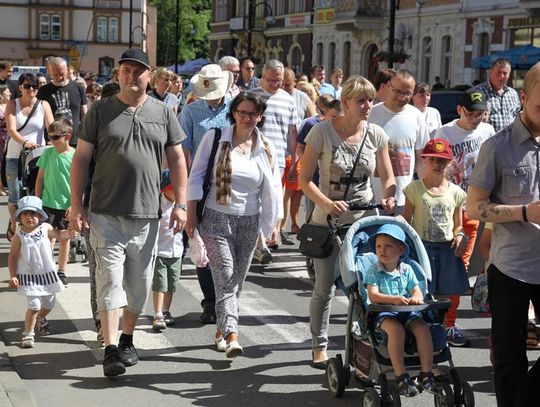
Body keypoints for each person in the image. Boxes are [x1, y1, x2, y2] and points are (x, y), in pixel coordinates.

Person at [70, 49, 188, 377]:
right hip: (105, 213)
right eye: (126, 70)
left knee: (139, 284)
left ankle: (127, 338)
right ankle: (110, 349)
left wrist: (180, 204)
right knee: (109, 281)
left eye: (138, 71)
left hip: (147, 214)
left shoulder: (163, 113)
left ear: (150, 76)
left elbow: (178, 160)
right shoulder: (100, 110)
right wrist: (76, 204)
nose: (131, 76)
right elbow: (80, 159)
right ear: (118, 74)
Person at [298, 75, 396, 368]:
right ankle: (320, 345)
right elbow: (304, 180)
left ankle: (363, 342)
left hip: (363, 220)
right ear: (345, 103)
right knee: (325, 287)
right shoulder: (322, 133)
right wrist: (327, 203)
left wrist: (390, 195)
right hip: (327, 221)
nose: (368, 106)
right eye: (361, 101)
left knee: (365, 286)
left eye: (370, 100)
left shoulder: (376, 134)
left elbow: (387, 175)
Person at [185, 92, 282, 357]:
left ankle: (220, 330)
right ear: (234, 113)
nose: (247, 118)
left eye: (253, 113)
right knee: (226, 277)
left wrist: (271, 226)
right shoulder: (215, 138)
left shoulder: (266, 147)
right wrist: (191, 215)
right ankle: (232, 334)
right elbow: (196, 177)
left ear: (260, 117)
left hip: (249, 222)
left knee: (236, 281)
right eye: (242, 112)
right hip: (216, 219)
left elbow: (273, 188)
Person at [466, 62, 540, 407]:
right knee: (510, 361)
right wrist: (524, 212)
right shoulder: (497, 147)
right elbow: (473, 207)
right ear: (522, 97)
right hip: (511, 267)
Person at [433, 89, 495, 346]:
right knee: (457, 264)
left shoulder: (488, 131)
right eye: (471, 113)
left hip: (485, 207)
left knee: (488, 264)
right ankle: (446, 324)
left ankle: (498, 324)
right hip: (457, 209)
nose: (476, 119)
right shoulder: (445, 133)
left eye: (481, 114)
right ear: (459, 110)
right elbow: (435, 168)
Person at [179, 64, 234, 324]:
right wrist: (186, 192)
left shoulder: (236, 109)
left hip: (229, 183)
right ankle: (210, 301)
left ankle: (228, 298)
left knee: (228, 244)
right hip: (200, 184)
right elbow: (183, 153)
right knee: (203, 244)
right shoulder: (191, 111)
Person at [402, 138, 470, 341]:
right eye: (433, 160)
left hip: (447, 251)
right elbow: (406, 221)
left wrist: (459, 235)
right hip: (422, 249)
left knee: (443, 299)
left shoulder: (456, 192)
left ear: (450, 163)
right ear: (424, 161)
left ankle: (439, 335)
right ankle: (419, 334)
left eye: (442, 161)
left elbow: (458, 225)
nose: (437, 165)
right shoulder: (414, 189)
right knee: (421, 294)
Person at [365, 224, 437, 397]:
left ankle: (426, 373)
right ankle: (400, 375)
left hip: (406, 311)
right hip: (383, 313)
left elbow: (416, 289)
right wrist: (394, 299)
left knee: (422, 328)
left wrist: (417, 297)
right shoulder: (374, 270)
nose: (382, 250)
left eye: (388, 246)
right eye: (379, 246)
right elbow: (373, 295)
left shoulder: (407, 269)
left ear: (401, 249)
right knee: (396, 330)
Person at [249, 59, 299, 261]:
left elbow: (292, 131)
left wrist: (295, 159)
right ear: (263, 77)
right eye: (271, 80)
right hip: (253, 156)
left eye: (279, 81)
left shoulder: (288, 99)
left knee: (274, 198)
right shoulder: (253, 96)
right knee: (256, 199)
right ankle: (260, 241)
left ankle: (271, 234)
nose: (275, 84)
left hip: (277, 158)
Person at [7, 196, 67, 348]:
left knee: (49, 303)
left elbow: (59, 235)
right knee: (33, 306)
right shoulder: (19, 234)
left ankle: (41, 317)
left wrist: (69, 233)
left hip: (47, 274)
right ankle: (28, 334)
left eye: (33, 213)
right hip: (29, 276)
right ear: (20, 216)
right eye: (25, 214)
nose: (29, 217)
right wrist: (13, 275)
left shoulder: (45, 228)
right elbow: (13, 256)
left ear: (40, 216)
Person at [369, 69, 429, 211]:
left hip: (405, 199)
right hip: (373, 199)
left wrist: (424, 190)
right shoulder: (371, 115)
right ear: (388, 86)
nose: (402, 97)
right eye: (398, 91)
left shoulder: (416, 116)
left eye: (407, 93)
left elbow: (421, 158)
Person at [5, 73, 54, 241]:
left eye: (34, 86)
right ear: (20, 88)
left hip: (37, 156)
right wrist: (25, 142)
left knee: (36, 192)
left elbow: (51, 127)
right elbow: (12, 130)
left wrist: (55, 141)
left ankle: (34, 228)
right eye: (27, 86)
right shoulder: (12, 104)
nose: (31, 89)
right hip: (15, 155)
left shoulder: (43, 105)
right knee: (15, 192)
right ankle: (14, 223)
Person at [34, 117, 74, 286]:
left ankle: (61, 271)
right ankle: (47, 268)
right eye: (50, 137)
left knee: (65, 238)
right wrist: (37, 200)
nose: (52, 141)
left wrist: (75, 204)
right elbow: (40, 178)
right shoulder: (47, 153)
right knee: (46, 235)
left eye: (56, 137)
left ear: (68, 136)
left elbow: (80, 183)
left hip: (66, 205)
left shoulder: (75, 156)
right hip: (48, 202)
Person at [296, 95, 343, 220]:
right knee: (312, 212)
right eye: (333, 117)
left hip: (335, 184)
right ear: (326, 113)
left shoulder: (344, 131)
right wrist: (311, 161)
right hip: (314, 179)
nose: (336, 121)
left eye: (340, 118)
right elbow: (300, 148)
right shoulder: (313, 126)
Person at [152, 170, 184, 331]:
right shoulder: (158, 205)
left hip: (176, 251)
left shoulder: (181, 205)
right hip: (160, 251)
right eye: (173, 188)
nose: (177, 192)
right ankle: (157, 313)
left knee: (171, 284)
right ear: (164, 189)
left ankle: (166, 310)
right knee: (160, 283)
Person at [37, 57, 88, 147]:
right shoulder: (43, 91)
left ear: (67, 70)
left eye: (61, 74)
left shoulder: (78, 88)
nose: (59, 77)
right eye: (55, 75)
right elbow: (38, 116)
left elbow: (84, 114)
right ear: (50, 73)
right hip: (52, 142)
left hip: (75, 141)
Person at [474, 58, 521, 132]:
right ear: (490, 72)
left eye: (505, 73)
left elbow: (517, 116)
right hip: (488, 141)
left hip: (511, 141)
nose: (501, 76)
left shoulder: (513, 93)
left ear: (509, 75)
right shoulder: (478, 92)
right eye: (498, 72)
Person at [0, 84, 11, 195]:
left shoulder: (9, 105)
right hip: (0, 137)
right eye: (7, 92)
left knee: (3, 162)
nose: (10, 94)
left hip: (7, 137)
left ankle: (2, 185)